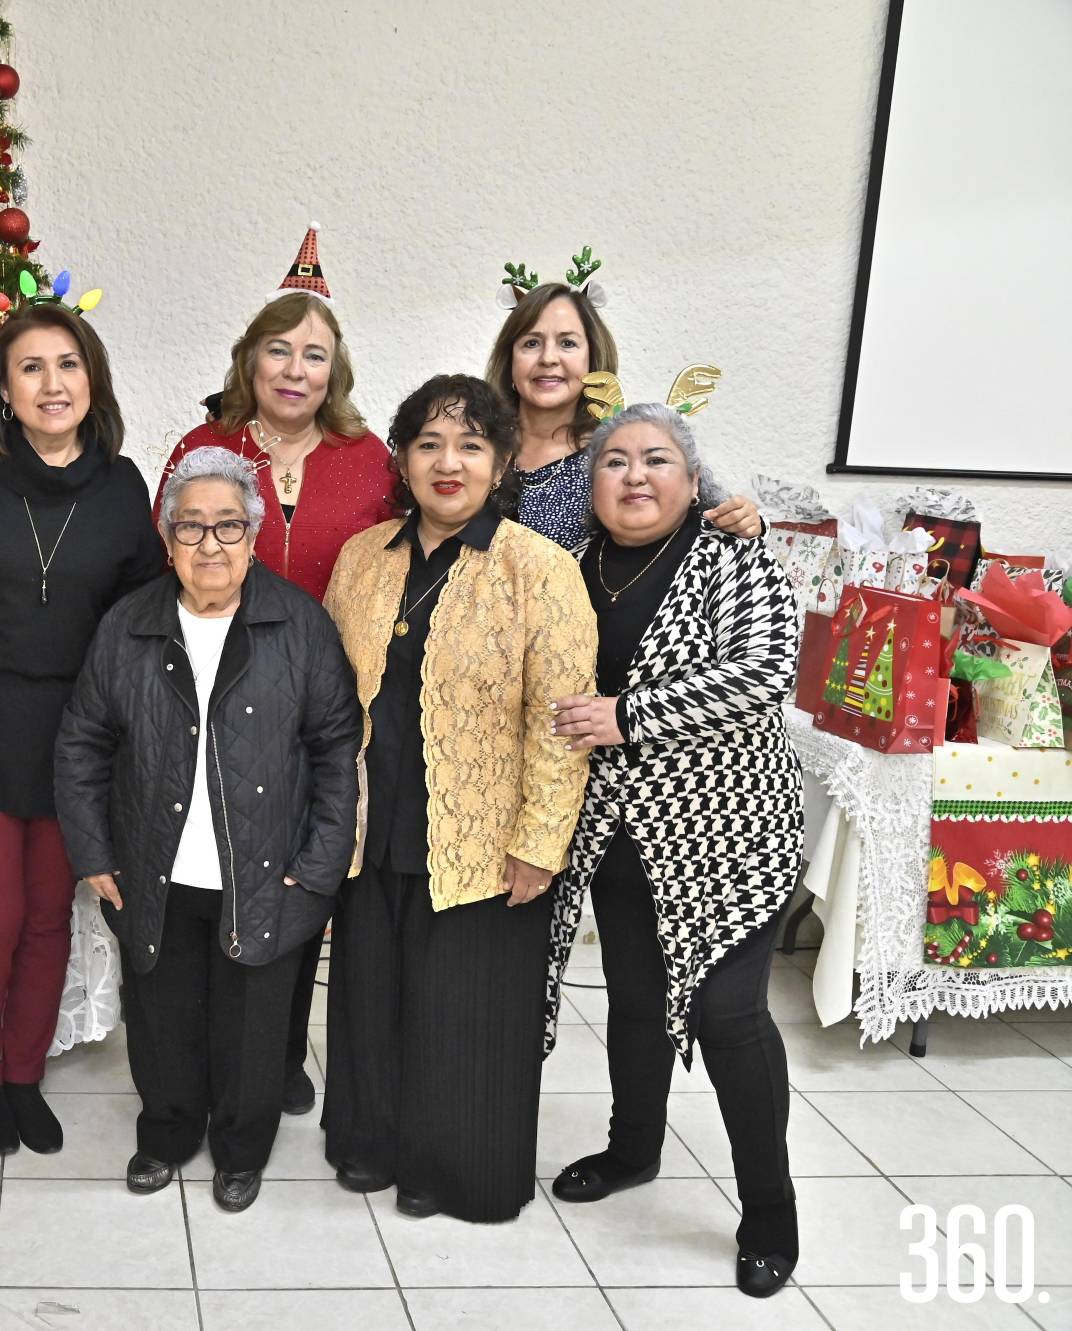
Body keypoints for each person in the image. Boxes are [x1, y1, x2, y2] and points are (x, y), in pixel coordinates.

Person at [320, 373, 597, 1223]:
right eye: (429, 443)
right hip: (375, 825)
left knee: (461, 1014)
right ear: (400, 459)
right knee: (370, 995)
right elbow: (328, 697)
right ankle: (369, 1142)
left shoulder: (536, 567)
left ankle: (456, 1169)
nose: (449, 462)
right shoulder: (364, 558)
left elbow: (561, 721)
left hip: (482, 833)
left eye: (472, 445)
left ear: (502, 460)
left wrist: (539, 839)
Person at [55, 446, 359, 1214]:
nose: (211, 545)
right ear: (168, 539)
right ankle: (164, 1134)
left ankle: (241, 1149)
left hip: (267, 873)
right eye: (192, 528)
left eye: (229, 526)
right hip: (150, 867)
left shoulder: (299, 624)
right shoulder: (129, 624)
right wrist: (92, 853)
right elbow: (82, 742)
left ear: (255, 535)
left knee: (253, 1032)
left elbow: (337, 754)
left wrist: (317, 870)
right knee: (161, 1020)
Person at [544, 403, 803, 1298]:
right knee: (636, 999)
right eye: (615, 461)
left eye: (657, 459)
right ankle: (633, 1148)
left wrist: (627, 716)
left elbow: (765, 673)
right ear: (593, 484)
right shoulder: (572, 569)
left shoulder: (736, 558)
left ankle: (770, 1210)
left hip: (731, 835)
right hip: (619, 834)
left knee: (729, 1015)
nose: (636, 475)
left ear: (694, 482)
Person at [157, 227, 394, 1117]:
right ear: (250, 358)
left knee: (302, 880)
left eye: (315, 355)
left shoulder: (370, 458)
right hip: (216, 695)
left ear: (336, 372)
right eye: (279, 349)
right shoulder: (204, 446)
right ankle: (208, 1054)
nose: (295, 368)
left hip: (321, 706)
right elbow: (168, 552)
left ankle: (282, 1051)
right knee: (214, 867)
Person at [0, 303, 166, 1157]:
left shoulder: (124, 486)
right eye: (31, 367)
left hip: (79, 736)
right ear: (4, 390)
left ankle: (23, 1072)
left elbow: (143, 614)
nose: (52, 383)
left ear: (90, 379)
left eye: (68, 364)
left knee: (51, 920)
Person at [485, 267, 763, 547]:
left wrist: (748, 519)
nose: (548, 358)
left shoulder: (620, 449)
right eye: (531, 343)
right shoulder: (475, 446)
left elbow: (713, 516)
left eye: (567, 343)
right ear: (510, 360)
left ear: (592, 358)